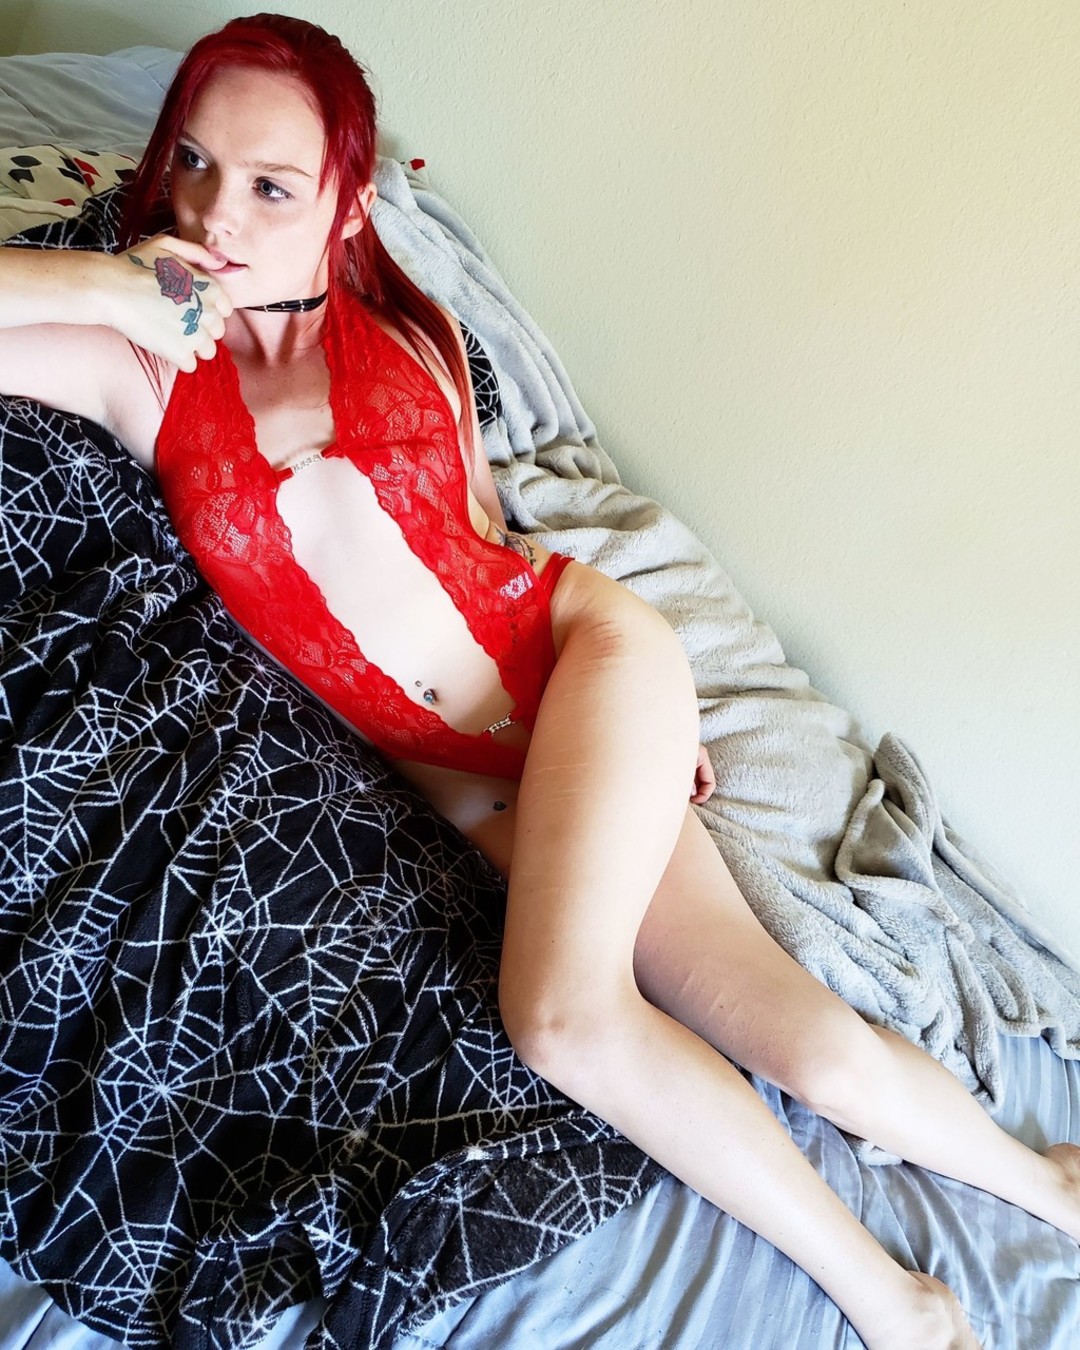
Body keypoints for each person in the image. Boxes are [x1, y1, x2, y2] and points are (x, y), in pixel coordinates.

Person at [0, 14, 1077, 1349]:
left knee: (585, 1023)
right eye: (194, 165)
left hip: (590, 664)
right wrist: (104, 288)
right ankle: (984, 1237)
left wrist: (643, 724)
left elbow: (489, 541)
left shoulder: (411, 330)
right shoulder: (143, 372)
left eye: (273, 186)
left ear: (345, 206)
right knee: (715, 1034)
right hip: (485, 790)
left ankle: (977, 1240)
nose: (217, 215)